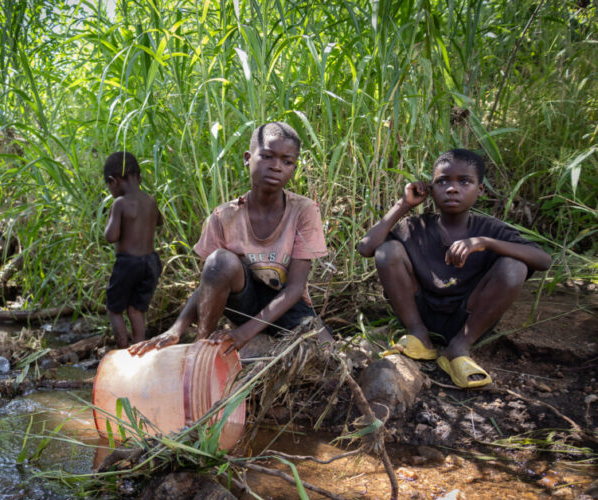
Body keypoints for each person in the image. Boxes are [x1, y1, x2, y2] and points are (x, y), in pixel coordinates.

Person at [130, 121, 332, 356]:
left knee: (331, 357)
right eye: (267, 156)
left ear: (294, 167)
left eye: (287, 162)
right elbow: (210, 281)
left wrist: (244, 334)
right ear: (248, 157)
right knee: (220, 261)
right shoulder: (225, 216)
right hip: (244, 303)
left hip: (288, 308)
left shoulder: (304, 211)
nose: (277, 167)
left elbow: (295, 288)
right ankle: (202, 348)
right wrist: (176, 328)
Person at [357, 149, 551, 388]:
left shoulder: (490, 229)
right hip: (420, 313)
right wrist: (404, 204)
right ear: (430, 188)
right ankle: (419, 336)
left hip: (470, 319)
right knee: (387, 251)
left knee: (514, 267)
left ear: (480, 190)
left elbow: (543, 260)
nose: (452, 188)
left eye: (465, 181)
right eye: (443, 181)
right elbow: (366, 248)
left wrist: (484, 242)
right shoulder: (415, 227)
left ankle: (459, 347)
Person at [103, 151, 164, 348]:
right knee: (136, 310)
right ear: (139, 177)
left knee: (115, 310)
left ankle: (122, 351)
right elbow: (160, 222)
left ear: (114, 181)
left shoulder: (119, 203)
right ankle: (140, 351)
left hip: (128, 263)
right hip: (151, 263)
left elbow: (111, 236)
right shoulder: (151, 200)